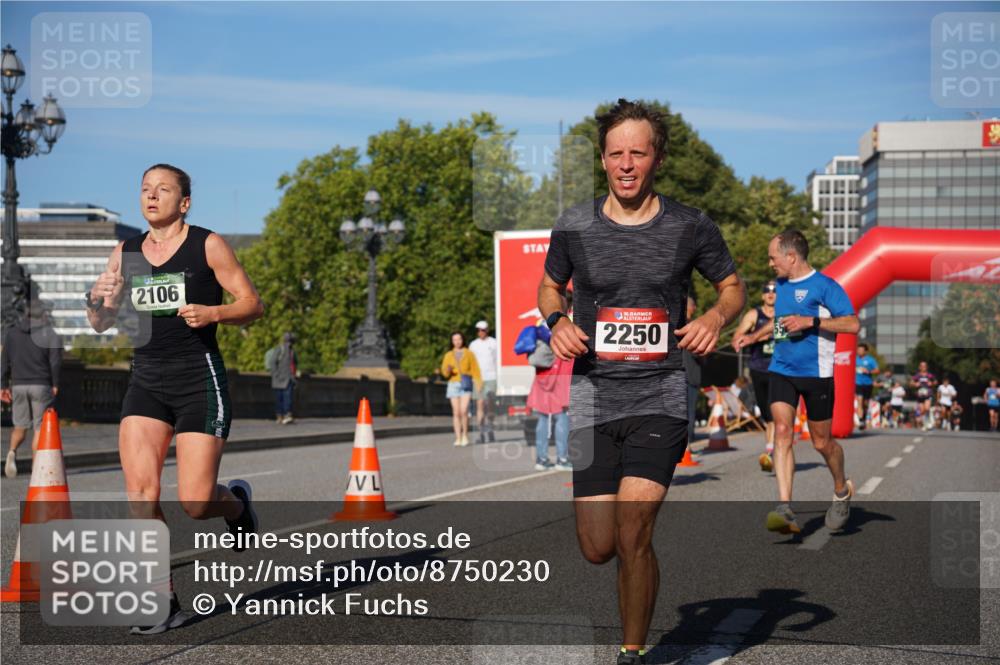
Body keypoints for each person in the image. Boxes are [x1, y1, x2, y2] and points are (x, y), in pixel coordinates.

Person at [538, 99, 745, 665]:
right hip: (592, 395)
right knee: (597, 546)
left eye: (638, 153)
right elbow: (549, 286)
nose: (626, 164)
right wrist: (556, 321)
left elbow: (732, 286)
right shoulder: (575, 225)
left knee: (633, 532)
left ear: (657, 158)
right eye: (615, 154)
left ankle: (632, 653)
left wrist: (714, 318)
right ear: (603, 159)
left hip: (660, 393)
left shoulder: (690, 225)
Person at [86, 164, 264, 634]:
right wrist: (95, 298)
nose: (151, 195)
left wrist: (214, 313)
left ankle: (236, 506)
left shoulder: (207, 244)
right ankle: (162, 602)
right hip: (146, 380)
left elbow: (253, 304)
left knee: (196, 502)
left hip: (198, 381)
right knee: (141, 495)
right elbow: (100, 323)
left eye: (163, 189)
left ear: (183, 202)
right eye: (145, 189)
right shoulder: (125, 252)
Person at [735, 229, 859, 536]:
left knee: (821, 443)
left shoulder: (825, 286)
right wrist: (754, 336)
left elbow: (852, 323)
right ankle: (784, 508)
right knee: (782, 431)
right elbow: (780, 323)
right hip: (782, 369)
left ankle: (841, 490)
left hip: (817, 374)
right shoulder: (780, 285)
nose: (770, 263)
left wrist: (812, 321)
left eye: (772, 258)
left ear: (791, 257)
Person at [1, 308, 62, 478]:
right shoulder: (50, 334)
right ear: (43, 315)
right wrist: (55, 383)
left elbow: (4, 361)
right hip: (41, 385)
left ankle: (12, 451)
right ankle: (36, 469)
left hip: (18, 385)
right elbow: (55, 361)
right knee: (39, 429)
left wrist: (3, 386)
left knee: (20, 426)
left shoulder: (12, 334)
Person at [731, 280, 776, 470]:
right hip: (758, 369)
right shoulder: (754, 315)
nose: (771, 293)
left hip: (780, 369)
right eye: (767, 290)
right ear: (762, 295)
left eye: (774, 290)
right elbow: (737, 336)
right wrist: (751, 337)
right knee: (767, 415)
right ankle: (771, 449)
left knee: (777, 413)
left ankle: (772, 451)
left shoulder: (785, 313)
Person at [526, 336, 573, 471]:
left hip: (542, 387)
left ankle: (541, 459)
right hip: (559, 388)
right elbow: (567, 370)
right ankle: (562, 459)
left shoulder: (542, 346)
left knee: (542, 421)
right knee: (562, 421)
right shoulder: (564, 344)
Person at [440, 331, 481, 447]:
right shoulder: (448, 355)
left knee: (464, 411)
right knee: (456, 412)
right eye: (455, 340)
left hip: (466, 384)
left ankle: (465, 435)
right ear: (452, 341)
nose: (457, 342)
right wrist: (448, 370)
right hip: (453, 384)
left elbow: (475, 370)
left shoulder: (469, 354)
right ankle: (458, 437)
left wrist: (479, 384)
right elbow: (444, 373)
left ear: (463, 340)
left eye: (459, 339)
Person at [681, 295, 705, 453]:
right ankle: (686, 447)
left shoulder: (685, 325)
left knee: (684, 412)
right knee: (687, 412)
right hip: (687, 376)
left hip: (687, 376)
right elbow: (700, 352)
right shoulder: (693, 327)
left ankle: (685, 447)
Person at [469, 320, 498, 443]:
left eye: (483, 330)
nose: (481, 332)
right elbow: (471, 362)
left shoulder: (494, 343)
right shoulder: (473, 345)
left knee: (490, 406)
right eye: (479, 330)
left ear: (487, 330)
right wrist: (473, 377)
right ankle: (481, 433)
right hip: (478, 378)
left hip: (492, 377)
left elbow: (497, 360)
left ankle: (490, 429)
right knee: (480, 404)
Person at [265, 332, 297, 424]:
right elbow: (272, 362)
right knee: (279, 399)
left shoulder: (292, 351)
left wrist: (293, 376)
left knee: (288, 398)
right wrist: (276, 375)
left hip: (288, 379)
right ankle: (280, 416)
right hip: (278, 380)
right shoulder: (280, 349)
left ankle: (287, 415)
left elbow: (294, 364)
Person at [854, 343, 878, 430]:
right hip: (858, 383)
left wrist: (868, 371)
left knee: (865, 403)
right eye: (858, 350)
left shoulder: (871, 360)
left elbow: (877, 370)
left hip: (868, 384)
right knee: (859, 401)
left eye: (861, 350)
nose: (859, 351)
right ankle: (861, 420)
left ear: (865, 351)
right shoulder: (855, 359)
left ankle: (863, 418)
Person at [910, 361, 937, 431]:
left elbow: (935, 382)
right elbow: (911, 383)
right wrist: (915, 384)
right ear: (919, 367)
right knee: (922, 411)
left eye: (924, 366)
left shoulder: (929, 375)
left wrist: (931, 383)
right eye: (922, 366)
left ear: (927, 367)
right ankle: (925, 424)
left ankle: (929, 423)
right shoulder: (917, 376)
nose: (923, 367)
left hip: (928, 394)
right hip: (920, 396)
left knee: (927, 408)